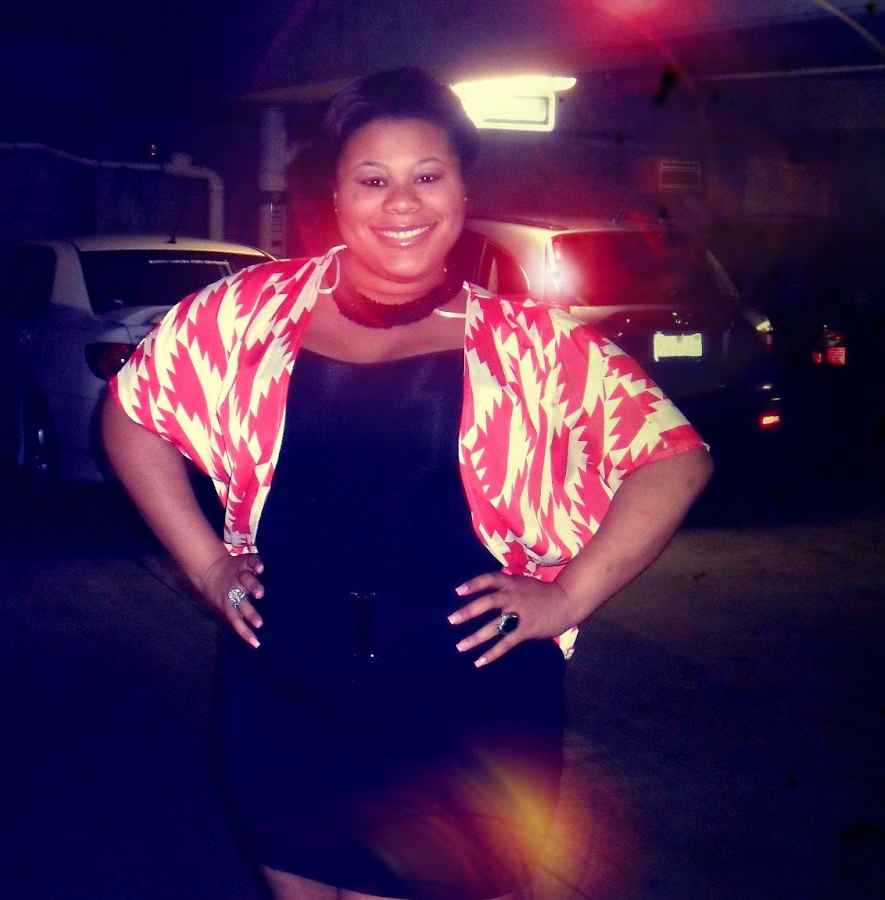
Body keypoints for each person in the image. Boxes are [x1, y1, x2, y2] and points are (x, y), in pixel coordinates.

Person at [101, 67, 713, 900]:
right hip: (283, 693)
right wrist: (208, 564)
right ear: (336, 195)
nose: (402, 203)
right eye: (373, 179)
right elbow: (132, 412)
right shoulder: (252, 312)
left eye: (428, 176)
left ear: (462, 189)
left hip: (465, 709)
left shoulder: (531, 342)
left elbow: (675, 460)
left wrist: (568, 597)